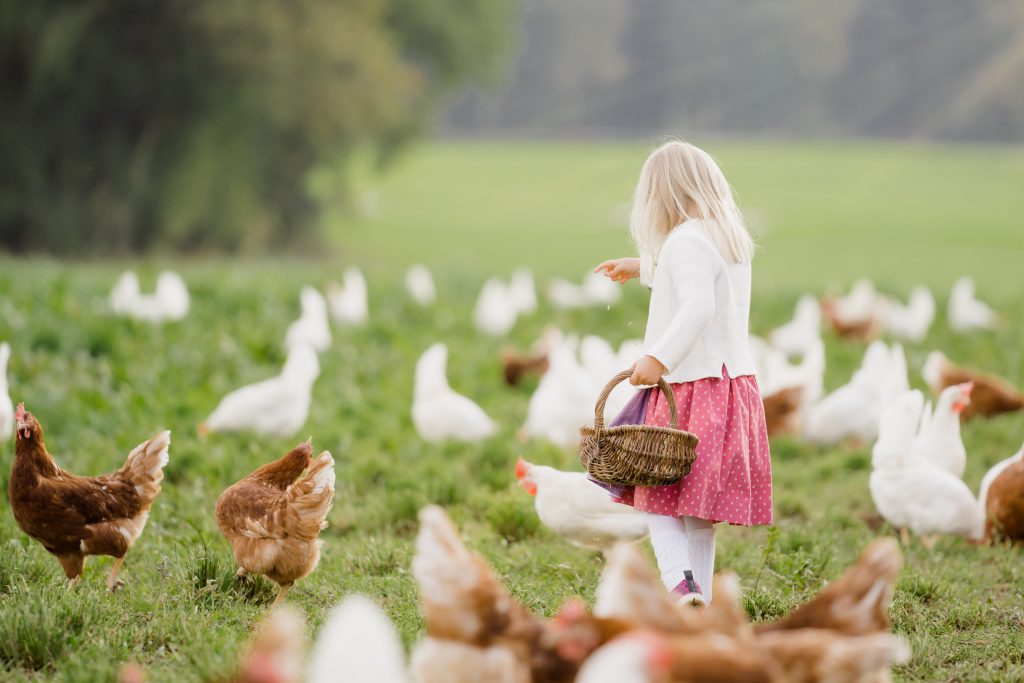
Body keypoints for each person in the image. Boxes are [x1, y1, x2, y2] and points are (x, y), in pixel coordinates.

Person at [595, 139, 772, 605]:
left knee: (652, 488)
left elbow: (697, 304)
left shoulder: (685, 241)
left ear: (662, 196)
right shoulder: (728, 238)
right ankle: (701, 602)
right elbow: (697, 273)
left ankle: (679, 581)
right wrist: (643, 267)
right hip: (732, 388)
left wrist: (658, 358)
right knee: (695, 509)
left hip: (691, 387)